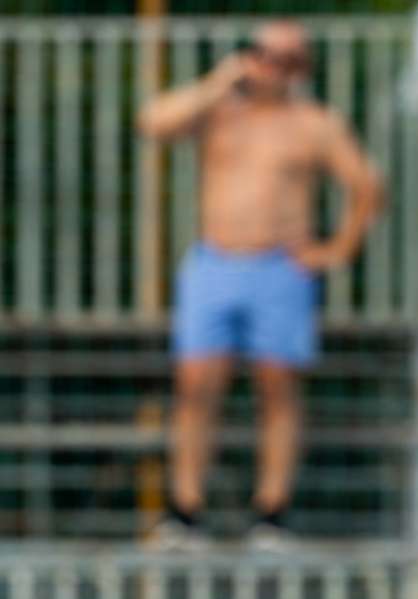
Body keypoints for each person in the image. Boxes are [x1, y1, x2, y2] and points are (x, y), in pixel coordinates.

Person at [137, 19, 385, 549]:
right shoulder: (218, 111)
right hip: (213, 262)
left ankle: (272, 514)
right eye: (261, 52)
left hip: (280, 268)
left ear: (302, 67)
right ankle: (185, 512)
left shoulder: (314, 124)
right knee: (195, 385)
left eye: (285, 58)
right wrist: (218, 82)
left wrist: (336, 250)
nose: (271, 66)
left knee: (278, 389)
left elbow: (367, 185)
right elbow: (152, 122)